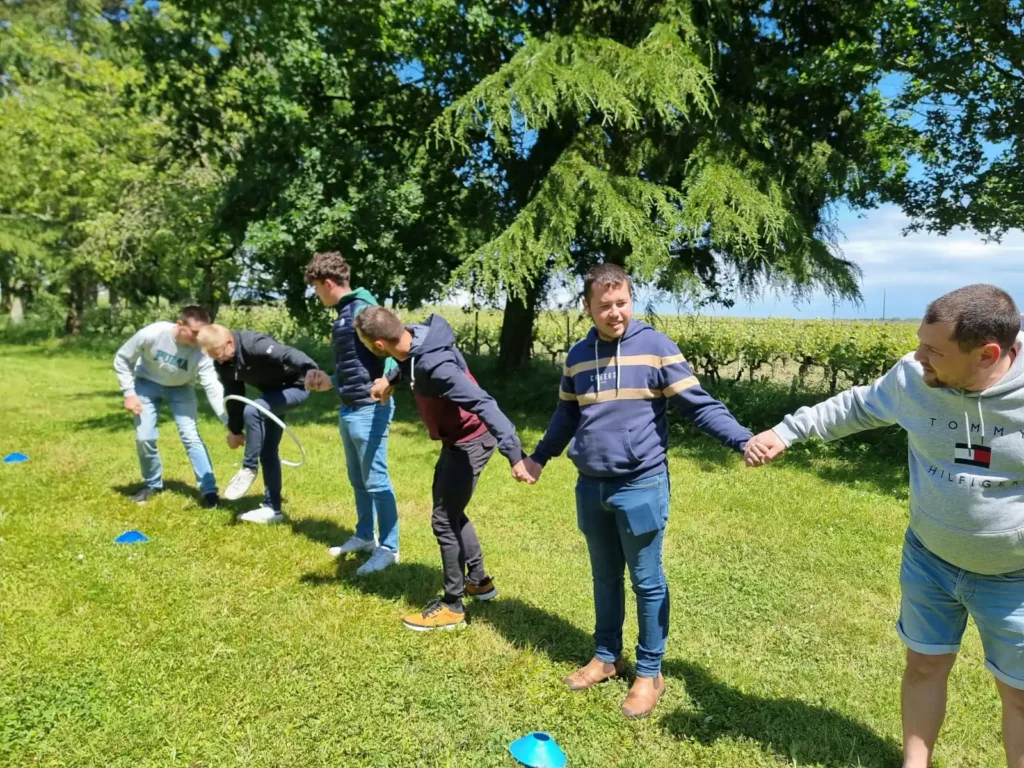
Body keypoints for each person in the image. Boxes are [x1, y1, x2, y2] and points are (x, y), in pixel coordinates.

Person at [745, 284, 1024, 768]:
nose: (919, 357)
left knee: (1019, 696)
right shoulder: (915, 378)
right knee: (923, 665)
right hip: (929, 561)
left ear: (988, 354)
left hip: (1014, 582)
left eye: (934, 350)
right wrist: (786, 431)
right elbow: (855, 406)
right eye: (920, 342)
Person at [516, 264, 752, 720]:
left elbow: (698, 406)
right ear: (588, 307)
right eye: (604, 305)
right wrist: (538, 458)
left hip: (641, 485)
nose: (614, 312)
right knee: (604, 577)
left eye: (621, 302)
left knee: (646, 581)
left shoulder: (656, 348)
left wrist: (742, 439)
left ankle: (649, 672)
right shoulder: (578, 357)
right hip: (590, 486)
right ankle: (606, 657)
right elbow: (565, 417)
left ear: (631, 300)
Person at [354, 306, 535, 631]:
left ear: (379, 345)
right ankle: (478, 581)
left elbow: (484, 402)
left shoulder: (435, 366)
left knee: (443, 519)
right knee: (451, 510)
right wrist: (390, 380)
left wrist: (515, 454)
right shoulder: (417, 340)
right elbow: (408, 364)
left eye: (368, 346)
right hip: (458, 438)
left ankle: (452, 605)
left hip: (471, 440)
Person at [303, 251, 401, 575]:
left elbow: (392, 349)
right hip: (349, 407)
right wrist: (328, 382)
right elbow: (355, 366)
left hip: (370, 409)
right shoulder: (345, 314)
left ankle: (389, 548)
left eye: (317, 288)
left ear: (328, 283)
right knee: (358, 480)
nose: (317, 295)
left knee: (376, 481)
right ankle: (364, 536)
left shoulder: (363, 309)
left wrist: (387, 382)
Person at [197, 324, 319, 524]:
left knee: (254, 410)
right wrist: (235, 431)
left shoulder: (255, 344)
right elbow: (234, 396)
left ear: (229, 342)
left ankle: (248, 468)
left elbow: (288, 353)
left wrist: (311, 370)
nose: (219, 359)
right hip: (272, 395)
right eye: (213, 357)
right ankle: (273, 509)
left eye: (219, 354)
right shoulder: (224, 363)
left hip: (298, 386)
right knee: (268, 450)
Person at [113, 306, 226, 507]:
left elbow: (212, 385)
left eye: (202, 333)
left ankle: (209, 491)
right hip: (146, 384)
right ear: (179, 324)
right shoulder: (152, 334)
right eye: (194, 332)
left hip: (182, 388)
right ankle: (152, 484)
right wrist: (129, 394)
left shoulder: (202, 350)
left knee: (190, 436)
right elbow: (122, 358)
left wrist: (228, 421)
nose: (198, 338)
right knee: (144, 437)